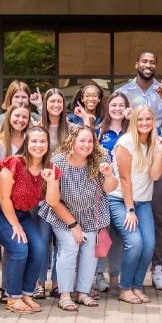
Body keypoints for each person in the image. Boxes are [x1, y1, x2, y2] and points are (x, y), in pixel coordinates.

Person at [39, 125, 118, 311]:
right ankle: (64, 294)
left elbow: (109, 189)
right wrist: (73, 225)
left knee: (90, 246)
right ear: (72, 141)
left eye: (90, 141)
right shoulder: (58, 161)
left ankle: (83, 292)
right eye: (82, 140)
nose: (87, 144)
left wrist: (108, 175)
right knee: (70, 245)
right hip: (63, 214)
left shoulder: (100, 159)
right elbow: (53, 201)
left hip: (91, 213)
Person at [117, 50, 162, 290]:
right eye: (144, 61)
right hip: (132, 159)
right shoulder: (123, 92)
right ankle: (123, 275)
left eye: (153, 62)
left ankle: (160, 267)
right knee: (130, 220)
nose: (148, 65)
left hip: (157, 158)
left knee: (160, 214)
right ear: (136, 64)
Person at [0, 126, 60, 313]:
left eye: (42, 141)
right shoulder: (14, 163)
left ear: (48, 144)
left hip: (23, 213)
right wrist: (15, 224)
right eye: (34, 141)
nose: (38, 145)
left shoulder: (51, 168)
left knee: (40, 249)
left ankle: (26, 293)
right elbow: (3, 198)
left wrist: (51, 182)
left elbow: (52, 201)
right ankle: (13, 297)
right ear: (27, 142)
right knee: (19, 249)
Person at [109, 106, 162, 304]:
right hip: (120, 200)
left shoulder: (153, 143)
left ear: (153, 121)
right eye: (140, 119)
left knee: (149, 245)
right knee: (135, 243)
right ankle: (125, 288)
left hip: (143, 201)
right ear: (134, 121)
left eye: (148, 119)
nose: (144, 123)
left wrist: (159, 152)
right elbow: (124, 179)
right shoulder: (125, 142)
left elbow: (155, 176)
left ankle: (137, 285)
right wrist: (130, 210)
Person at [34, 88, 70, 298]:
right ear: (45, 105)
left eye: (59, 101)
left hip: (64, 190)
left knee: (60, 241)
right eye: (51, 101)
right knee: (43, 239)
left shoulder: (71, 129)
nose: (55, 105)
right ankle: (39, 281)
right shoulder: (38, 127)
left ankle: (57, 282)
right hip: (41, 190)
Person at [93, 91, 129, 291]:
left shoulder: (131, 129)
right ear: (107, 107)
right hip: (102, 188)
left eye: (121, 105)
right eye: (113, 105)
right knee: (100, 233)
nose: (117, 109)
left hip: (124, 189)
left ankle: (115, 276)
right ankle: (98, 276)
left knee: (117, 235)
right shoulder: (99, 130)